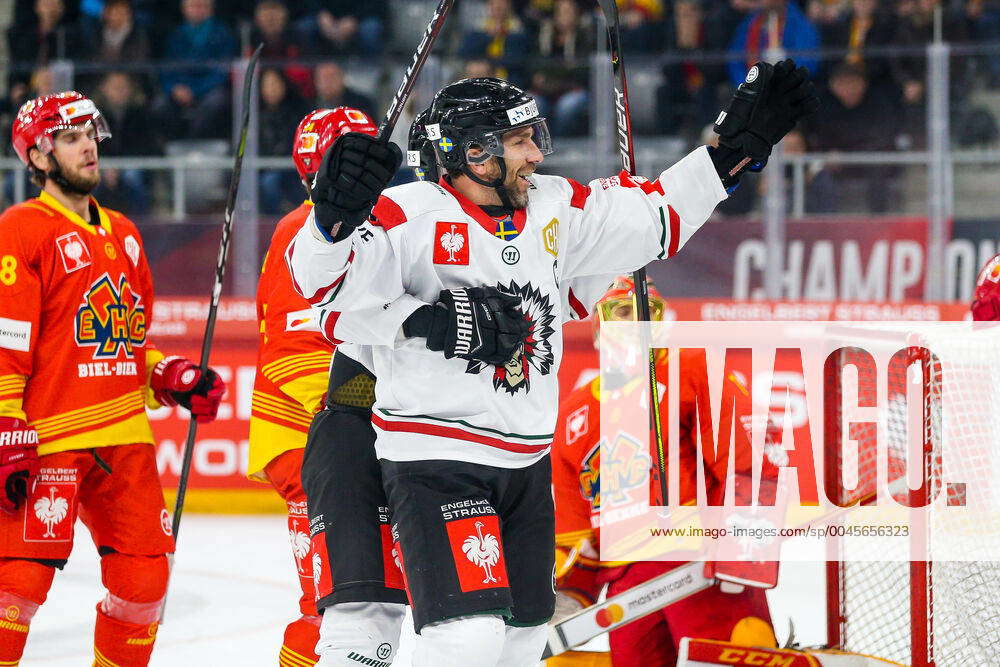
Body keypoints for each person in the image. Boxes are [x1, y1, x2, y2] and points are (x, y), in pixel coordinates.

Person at [288, 67, 817, 663]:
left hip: (525, 464)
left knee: (521, 646)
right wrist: (329, 223)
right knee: (466, 638)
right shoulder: (407, 213)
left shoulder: (553, 208)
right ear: (474, 152)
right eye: (519, 142)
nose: (537, 153)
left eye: (535, 137)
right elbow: (324, 286)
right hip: (438, 461)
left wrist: (728, 155)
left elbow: (654, 216)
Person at [0, 91, 225, 666]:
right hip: (47, 435)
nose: (88, 147)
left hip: (124, 436)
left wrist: (171, 375)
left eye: (90, 135)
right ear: (40, 157)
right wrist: (6, 422)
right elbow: (9, 340)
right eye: (70, 138)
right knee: (17, 588)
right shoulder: (22, 228)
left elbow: (126, 339)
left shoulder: (124, 232)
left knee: (144, 583)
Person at [548, 277, 776, 667]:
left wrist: (743, 553)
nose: (636, 325)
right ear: (599, 323)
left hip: (697, 565)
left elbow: (748, 466)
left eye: (646, 314)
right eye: (623, 312)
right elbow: (575, 530)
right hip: (624, 587)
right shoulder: (574, 414)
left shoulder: (694, 370)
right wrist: (568, 597)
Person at [249, 105, 398, 667]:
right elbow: (292, 349)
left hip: (346, 438)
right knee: (332, 606)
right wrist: (354, 426)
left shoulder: (379, 222)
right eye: (355, 155)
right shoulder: (302, 231)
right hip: (309, 444)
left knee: (369, 600)